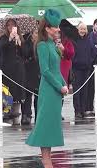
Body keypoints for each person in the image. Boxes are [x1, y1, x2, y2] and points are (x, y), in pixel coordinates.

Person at [26, 9, 68, 168]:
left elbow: (57, 69)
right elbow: (46, 71)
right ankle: (46, 161)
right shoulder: (42, 45)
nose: (58, 29)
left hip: (57, 89)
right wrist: (60, 86)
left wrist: (64, 83)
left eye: (58, 27)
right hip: (49, 90)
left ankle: (47, 160)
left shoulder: (53, 45)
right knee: (45, 125)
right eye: (55, 27)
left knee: (51, 125)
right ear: (47, 29)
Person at [0, 19, 26, 125]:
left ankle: (16, 114)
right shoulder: (3, 38)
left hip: (18, 69)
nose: (11, 27)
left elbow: (24, 53)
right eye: (9, 25)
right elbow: (2, 47)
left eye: (13, 25)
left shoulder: (20, 37)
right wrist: (10, 38)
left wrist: (19, 42)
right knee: (9, 91)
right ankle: (7, 114)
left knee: (18, 91)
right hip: (8, 69)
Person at [72, 22, 95, 119]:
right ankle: (77, 110)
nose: (82, 31)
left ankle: (83, 109)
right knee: (77, 90)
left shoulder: (89, 40)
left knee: (85, 90)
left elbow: (93, 52)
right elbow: (73, 54)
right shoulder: (74, 40)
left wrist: (89, 62)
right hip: (77, 69)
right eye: (81, 29)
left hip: (86, 68)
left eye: (84, 29)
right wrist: (76, 61)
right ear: (77, 30)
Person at [21, 29, 40, 125]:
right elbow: (24, 53)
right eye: (35, 33)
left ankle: (38, 116)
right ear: (32, 34)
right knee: (27, 95)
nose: (37, 35)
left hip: (38, 71)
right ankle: (26, 115)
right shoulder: (26, 42)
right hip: (28, 71)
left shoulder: (41, 43)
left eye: (38, 33)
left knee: (38, 95)